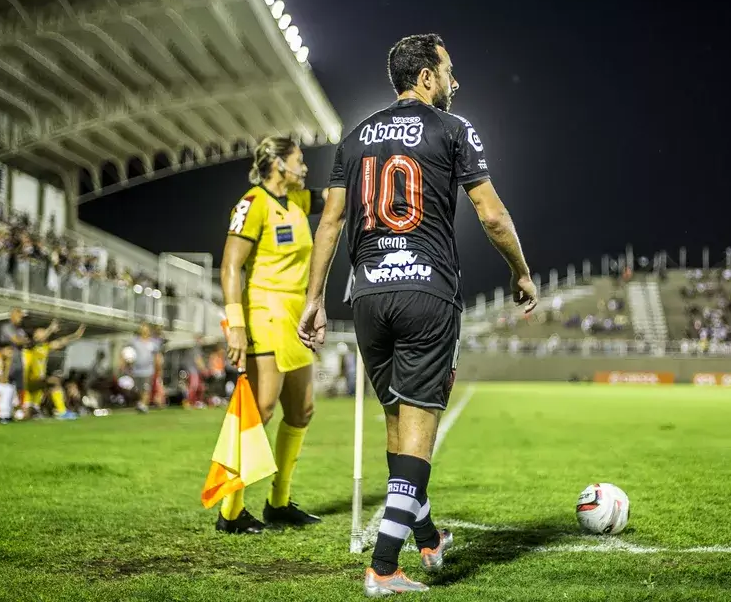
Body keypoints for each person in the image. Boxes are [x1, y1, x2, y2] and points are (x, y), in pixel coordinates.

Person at [298, 33, 537, 596]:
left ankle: (426, 539)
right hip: (426, 294)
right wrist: (521, 272)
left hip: (367, 296)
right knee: (420, 432)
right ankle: (384, 567)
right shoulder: (453, 129)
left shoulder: (355, 136)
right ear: (426, 77)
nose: (455, 82)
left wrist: (314, 298)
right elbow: (493, 216)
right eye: (449, 71)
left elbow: (330, 223)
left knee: (395, 424)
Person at [218, 136, 328, 534]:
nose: (305, 168)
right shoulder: (253, 203)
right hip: (264, 312)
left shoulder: (297, 201)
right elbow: (231, 267)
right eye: (299, 161)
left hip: (295, 316)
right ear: (279, 164)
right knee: (262, 411)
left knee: (301, 411)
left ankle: (278, 503)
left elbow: (340, 197)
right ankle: (230, 512)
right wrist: (235, 326)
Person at [23, 324, 85, 420]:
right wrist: (50, 329)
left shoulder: (44, 347)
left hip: (37, 383)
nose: (44, 332)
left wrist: (75, 335)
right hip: (28, 381)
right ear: (35, 335)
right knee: (54, 382)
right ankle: (62, 412)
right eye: (41, 331)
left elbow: (61, 342)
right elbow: (35, 341)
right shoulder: (29, 347)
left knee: (29, 414)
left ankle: (37, 411)